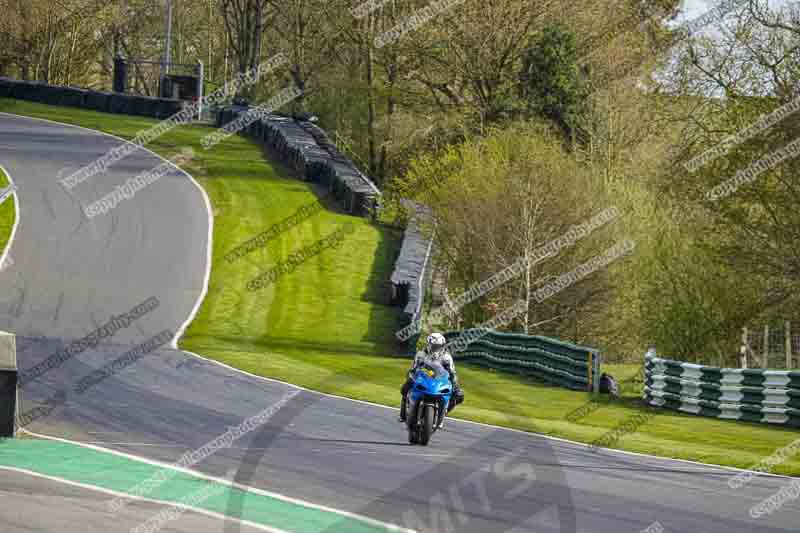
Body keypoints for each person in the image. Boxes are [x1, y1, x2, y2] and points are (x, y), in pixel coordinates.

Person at [399, 332, 464, 426]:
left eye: (439, 346)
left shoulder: (446, 357)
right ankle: (403, 414)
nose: (436, 348)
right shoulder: (421, 354)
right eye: (434, 346)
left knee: (459, 395)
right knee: (405, 388)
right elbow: (413, 369)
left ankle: (443, 413)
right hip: (423, 378)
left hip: (440, 380)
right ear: (429, 345)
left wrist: (456, 386)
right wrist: (412, 375)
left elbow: (452, 373)